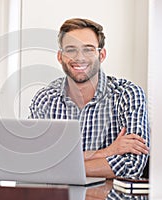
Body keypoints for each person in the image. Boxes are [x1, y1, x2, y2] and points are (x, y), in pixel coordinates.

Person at [28, 18, 150, 178]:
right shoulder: (45, 99)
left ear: (102, 54)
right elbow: (31, 161)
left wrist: (55, 166)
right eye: (71, 50)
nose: (79, 57)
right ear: (60, 57)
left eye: (88, 49)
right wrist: (107, 152)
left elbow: (132, 165)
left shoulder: (127, 95)